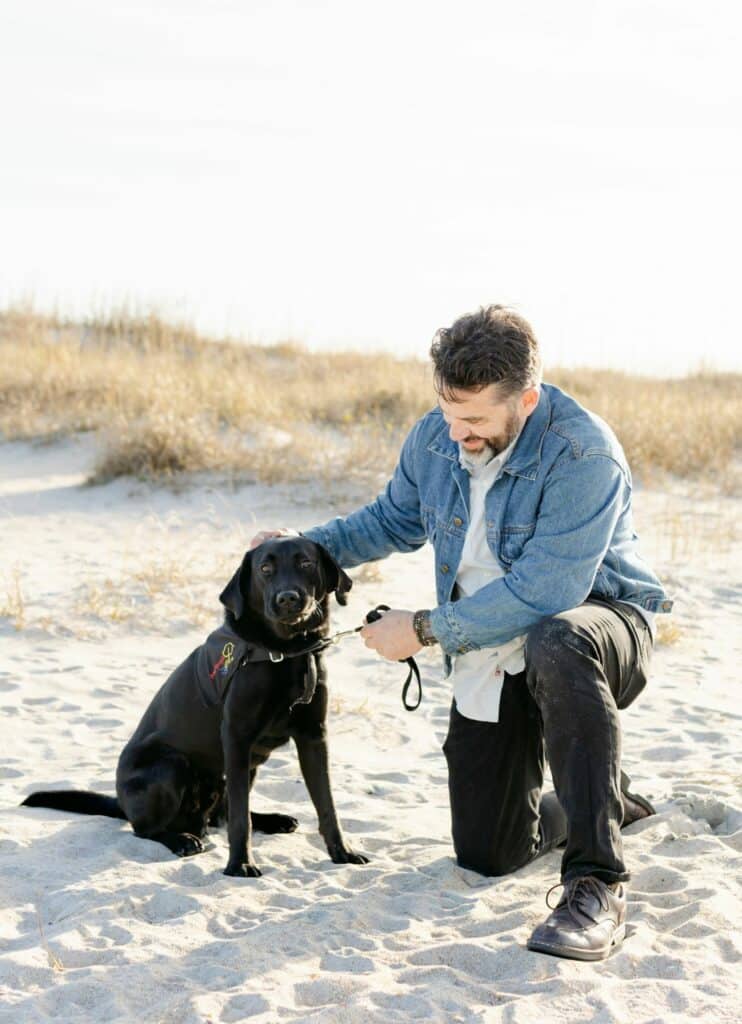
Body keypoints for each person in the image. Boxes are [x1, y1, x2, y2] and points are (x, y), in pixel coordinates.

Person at [251, 305, 672, 961]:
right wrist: (302, 546)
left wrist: (421, 629)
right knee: (489, 852)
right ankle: (604, 797)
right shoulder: (436, 436)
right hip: (488, 643)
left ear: (526, 400)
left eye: (475, 420)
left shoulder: (584, 454)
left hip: (600, 628)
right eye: (450, 414)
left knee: (558, 639)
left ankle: (597, 883)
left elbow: (545, 593)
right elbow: (389, 521)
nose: (458, 433)